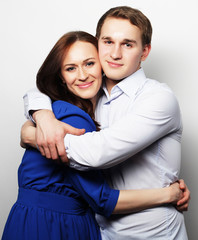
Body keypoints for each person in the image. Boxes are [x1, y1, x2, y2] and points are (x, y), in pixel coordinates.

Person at [22, 6, 189, 239]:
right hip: (99, 232)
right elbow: (41, 90)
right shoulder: (89, 91)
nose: (115, 54)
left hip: (152, 233)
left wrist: (32, 136)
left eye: (128, 44)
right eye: (108, 42)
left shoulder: (159, 98)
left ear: (145, 51)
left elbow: (97, 154)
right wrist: (42, 117)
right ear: (97, 43)